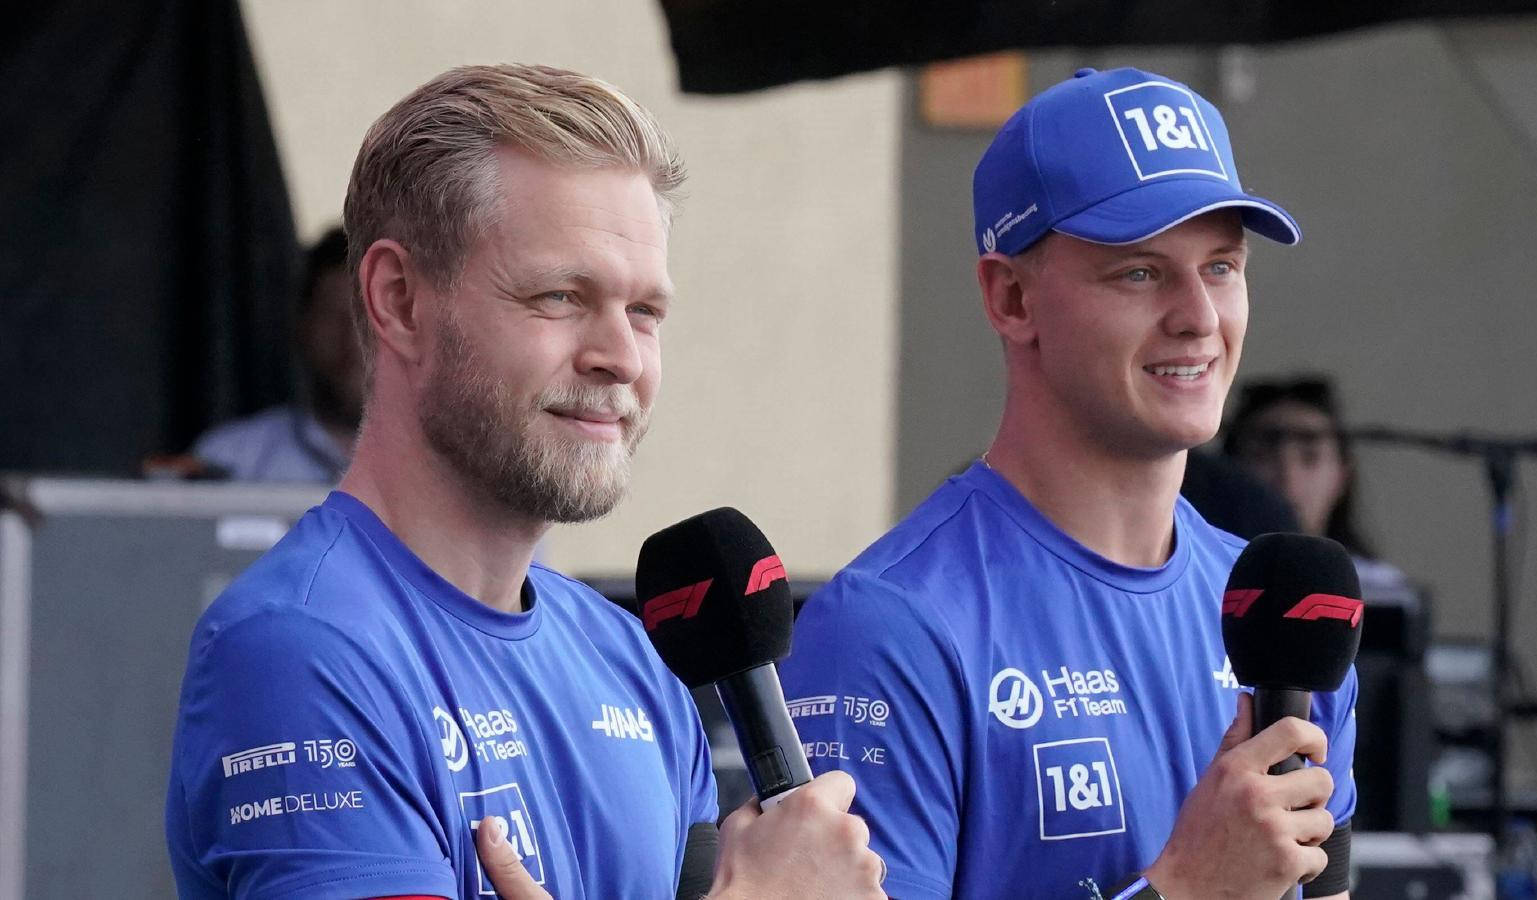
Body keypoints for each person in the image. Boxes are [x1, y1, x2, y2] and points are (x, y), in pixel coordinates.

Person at [165, 64, 884, 899]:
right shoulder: (300, 649)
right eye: (560, 296)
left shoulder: (633, 666)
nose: (620, 357)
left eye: (646, 311)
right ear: (398, 300)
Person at [779, 67, 1356, 899]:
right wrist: (1185, 890)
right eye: (1141, 272)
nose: (1199, 316)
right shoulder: (886, 631)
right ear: (1011, 297)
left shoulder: (1280, 611)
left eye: (1222, 267)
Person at [188, 227, 365, 482]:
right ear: (301, 325)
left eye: (371, 318)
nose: (353, 338)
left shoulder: (442, 468)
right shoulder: (229, 461)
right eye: (332, 314)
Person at [1222, 376, 1411, 600]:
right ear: (1228, 470)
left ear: (1342, 475)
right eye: (1263, 457)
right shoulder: (1204, 576)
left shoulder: (1384, 593)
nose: (1287, 476)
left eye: (1310, 457)